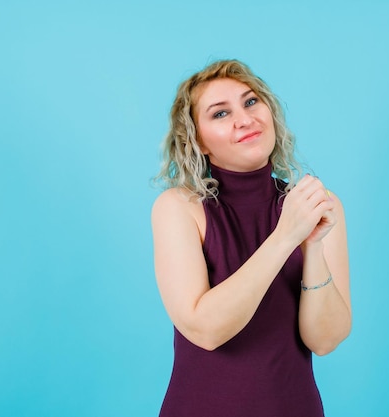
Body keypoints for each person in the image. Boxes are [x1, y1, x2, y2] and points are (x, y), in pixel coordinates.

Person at [151, 59, 352, 417]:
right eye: (219, 114)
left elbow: (325, 340)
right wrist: (286, 236)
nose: (244, 119)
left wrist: (314, 246)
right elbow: (206, 330)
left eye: (250, 102)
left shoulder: (317, 205)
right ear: (198, 141)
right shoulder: (180, 208)